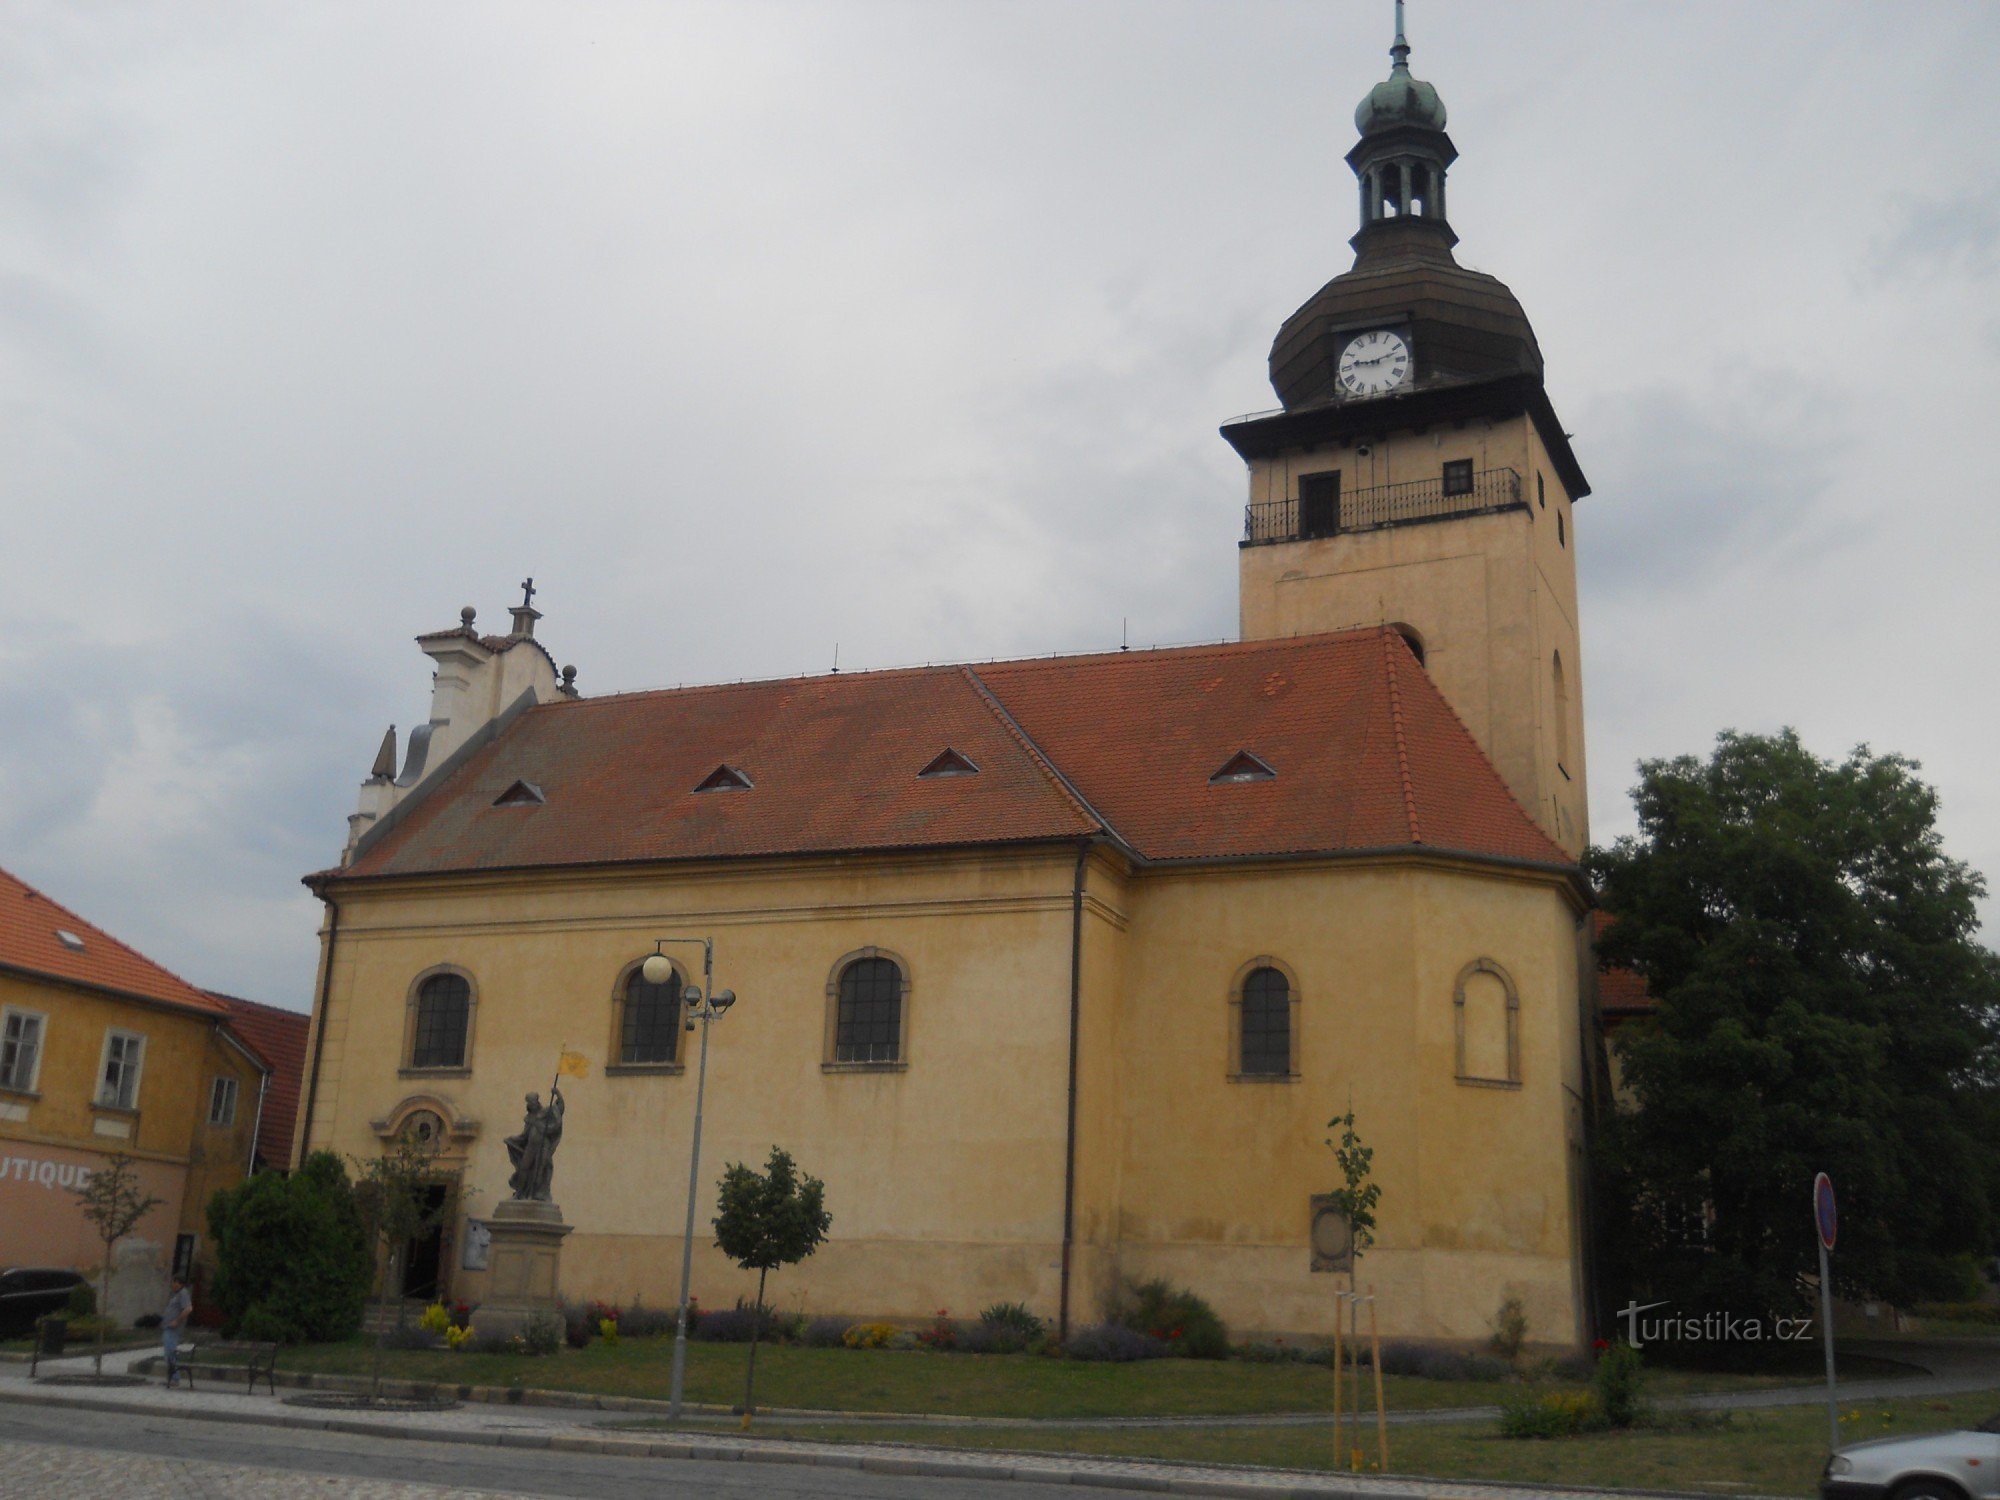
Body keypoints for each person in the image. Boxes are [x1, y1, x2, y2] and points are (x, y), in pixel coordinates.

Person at [162, 1276, 192, 1388]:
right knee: (168, 1353)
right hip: (168, 1328)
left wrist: (177, 1321)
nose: (172, 1285)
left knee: (170, 1353)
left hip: (173, 1329)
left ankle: (174, 1378)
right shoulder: (177, 1295)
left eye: (174, 1282)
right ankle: (171, 1377)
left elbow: (188, 1309)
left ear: (179, 1283)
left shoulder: (183, 1293)